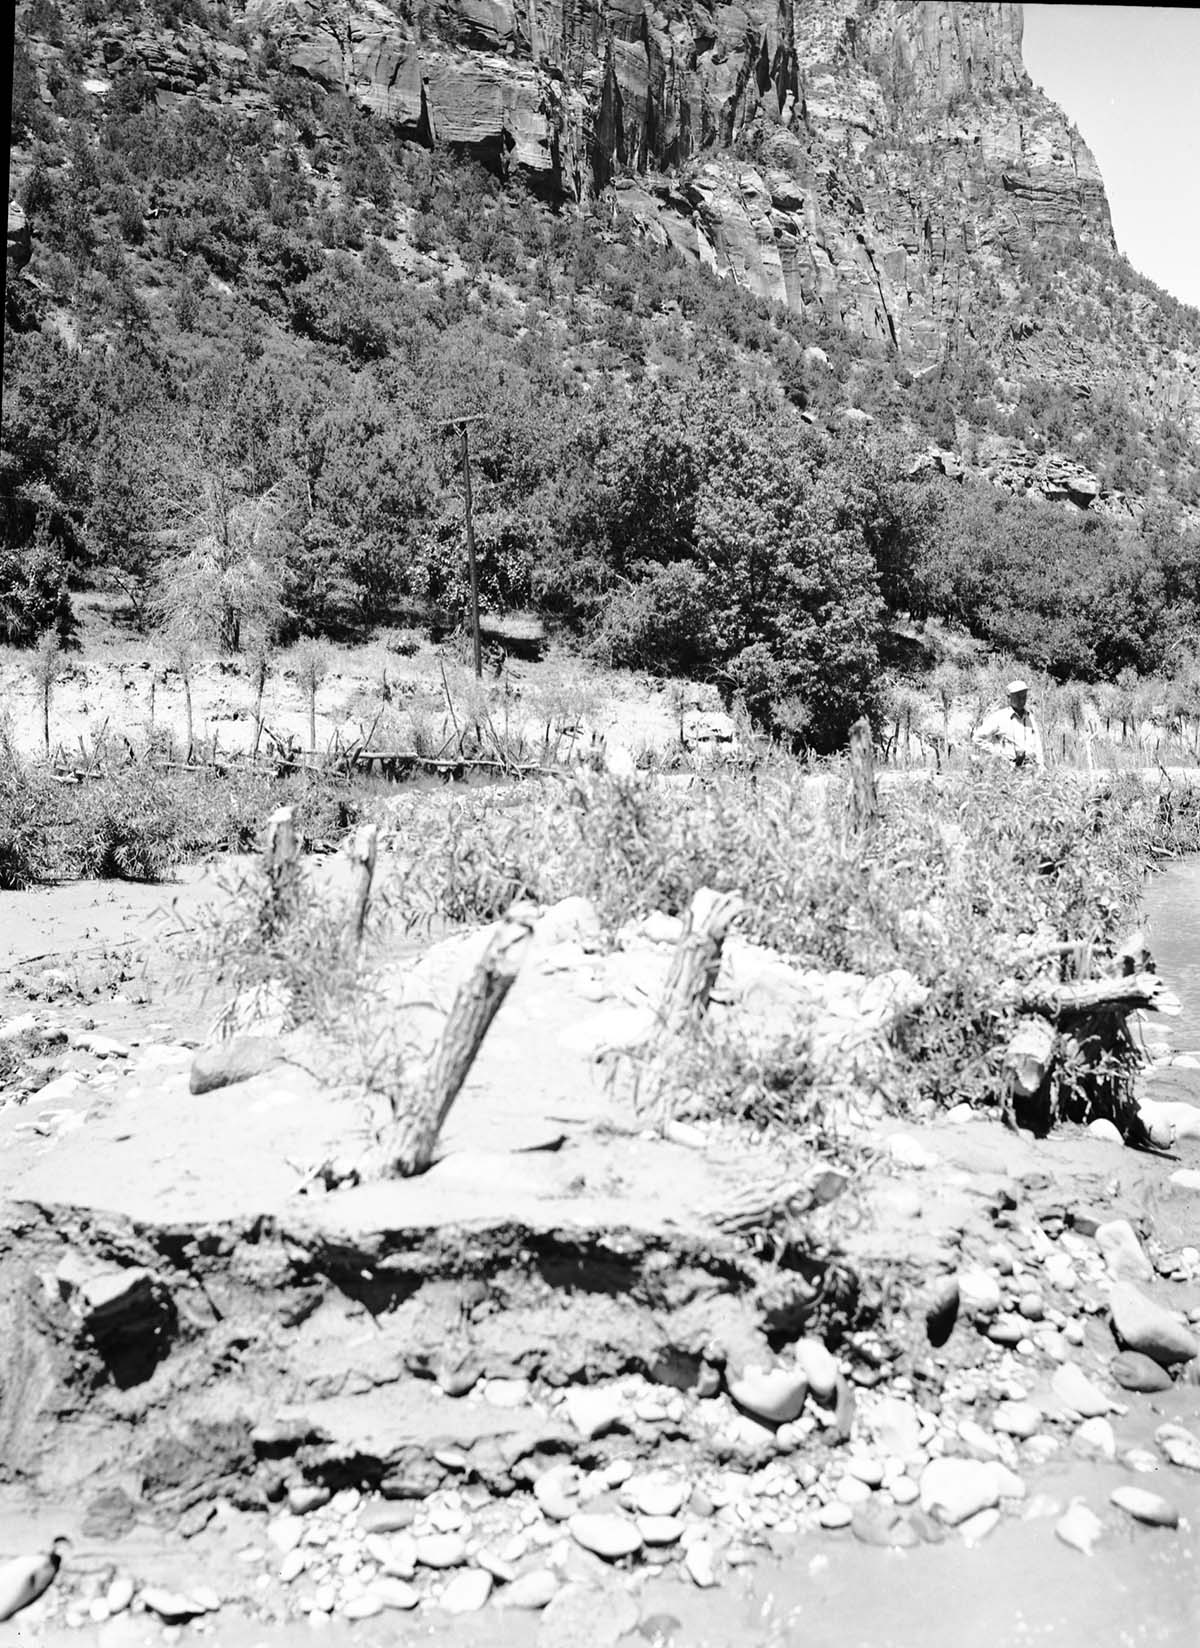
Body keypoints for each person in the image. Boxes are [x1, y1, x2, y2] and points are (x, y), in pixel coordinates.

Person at [972, 679, 1044, 770]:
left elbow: (1038, 744)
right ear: (1009, 697)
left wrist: (1041, 766)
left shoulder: (1030, 717)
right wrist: (998, 754)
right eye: (1018, 697)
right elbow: (977, 738)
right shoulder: (1000, 717)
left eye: (1024, 696)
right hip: (1009, 769)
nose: (1021, 700)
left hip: (1031, 769)